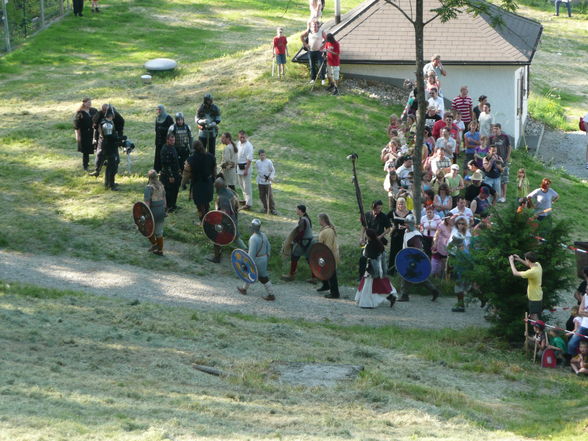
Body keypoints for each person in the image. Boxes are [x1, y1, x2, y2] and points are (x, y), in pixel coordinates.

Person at [397, 214, 440, 302]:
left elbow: (418, 250)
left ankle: (404, 295)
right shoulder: (407, 231)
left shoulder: (415, 236)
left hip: (414, 259)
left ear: (412, 224)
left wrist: (412, 259)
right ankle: (434, 290)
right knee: (418, 276)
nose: (406, 225)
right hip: (407, 258)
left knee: (407, 275)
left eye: (408, 223)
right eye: (406, 223)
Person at [208, 177, 247, 263]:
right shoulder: (230, 192)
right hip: (234, 220)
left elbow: (224, 214)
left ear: (219, 187)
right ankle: (247, 252)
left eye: (216, 187)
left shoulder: (223, 198)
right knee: (236, 238)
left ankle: (217, 257)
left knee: (216, 237)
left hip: (227, 223)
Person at [355, 229, 397, 308]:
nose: (365, 236)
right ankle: (390, 297)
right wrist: (362, 244)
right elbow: (364, 248)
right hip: (377, 269)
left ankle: (367, 303)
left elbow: (368, 256)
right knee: (379, 286)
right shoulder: (375, 242)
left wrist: (365, 260)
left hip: (372, 269)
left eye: (366, 235)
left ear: (369, 236)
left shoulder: (372, 245)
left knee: (368, 287)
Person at [237, 219, 275, 301]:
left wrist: (246, 263)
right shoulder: (263, 235)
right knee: (250, 273)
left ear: (252, 227)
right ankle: (244, 289)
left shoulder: (253, 238)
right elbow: (269, 247)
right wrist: (267, 256)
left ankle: (271, 294)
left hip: (257, 260)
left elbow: (251, 254)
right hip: (264, 258)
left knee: (263, 277)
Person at [181, 140, 216, 222]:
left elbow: (186, 173)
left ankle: (203, 220)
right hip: (208, 183)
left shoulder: (190, 160)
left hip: (197, 184)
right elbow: (214, 170)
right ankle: (207, 217)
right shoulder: (211, 156)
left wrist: (183, 183)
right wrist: (214, 178)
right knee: (206, 202)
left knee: (199, 204)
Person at [359, 200, 391, 280]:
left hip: (378, 241)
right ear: (373, 208)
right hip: (367, 240)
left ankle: (377, 275)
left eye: (380, 208)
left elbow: (388, 229)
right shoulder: (367, 215)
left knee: (376, 258)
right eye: (377, 208)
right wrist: (362, 237)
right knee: (363, 257)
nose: (379, 210)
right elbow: (363, 227)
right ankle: (361, 275)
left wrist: (380, 237)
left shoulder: (383, 216)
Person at [89, 104, 124, 177]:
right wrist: (94, 138)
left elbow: (120, 128)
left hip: (113, 138)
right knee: (100, 155)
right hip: (103, 138)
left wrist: (119, 139)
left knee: (114, 158)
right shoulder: (99, 115)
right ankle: (97, 170)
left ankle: (113, 172)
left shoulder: (117, 117)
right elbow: (95, 127)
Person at [281, 205, 315, 281]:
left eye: (296, 209)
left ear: (300, 210)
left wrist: (294, 240)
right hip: (309, 241)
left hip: (304, 242)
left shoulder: (303, 220)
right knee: (309, 259)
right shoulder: (306, 218)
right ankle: (314, 277)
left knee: (294, 256)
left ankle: (291, 275)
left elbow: (301, 232)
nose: (295, 210)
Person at [508, 252, 543, 321]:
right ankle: (537, 329)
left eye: (525, 259)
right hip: (538, 295)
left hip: (534, 298)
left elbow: (515, 273)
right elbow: (529, 265)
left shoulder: (532, 272)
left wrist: (511, 261)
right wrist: (519, 259)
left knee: (534, 316)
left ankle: (537, 331)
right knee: (535, 314)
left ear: (528, 260)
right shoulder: (538, 265)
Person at [447, 218, 472, 312]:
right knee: (469, 288)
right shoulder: (463, 248)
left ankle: (461, 306)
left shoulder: (462, 251)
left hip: (462, 273)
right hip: (463, 272)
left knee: (459, 289)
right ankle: (482, 297)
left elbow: (467, 261)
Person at [316, 213, 340, 299]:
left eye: (319, 219)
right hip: (325, 253)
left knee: (331, 274)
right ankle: (326, 285)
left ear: (322, 220)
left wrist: (325, 256)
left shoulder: (329, 231)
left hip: (330, 255)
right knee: (323, 270)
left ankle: (335, 293)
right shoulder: (325, 230)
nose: (318, 221)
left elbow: (328, 246)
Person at [143, 170, 166, 256]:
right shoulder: (161, 186)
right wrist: (164, 210)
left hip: (153, 211)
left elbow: (147, 203)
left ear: (149, 178)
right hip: (161, 210)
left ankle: (155, 244)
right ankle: (160, 250)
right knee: (159, 232)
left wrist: (145, 214)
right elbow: (164, 200)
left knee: (146, 229)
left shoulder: (149, 188)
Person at [96, 108, 120, 190]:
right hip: (108, 147)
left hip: (109, 146)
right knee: (112, 166)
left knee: (111, 166)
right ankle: (111, 185)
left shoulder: (108, 122)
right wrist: (118, 139)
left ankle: (108, 183)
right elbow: (109, 137)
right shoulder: (106, 125)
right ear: (111, 115)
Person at [73, 97, 97, 171]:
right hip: (85, 133)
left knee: (99, 147)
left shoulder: (94, 110)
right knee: (86, 151)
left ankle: (102, 162)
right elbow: (77, 126)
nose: (90, 104)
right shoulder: (80, 113)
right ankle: (85, 165)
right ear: (84, 103)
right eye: (88, 102)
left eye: (90, 102)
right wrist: (78, 135)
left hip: (94, 132)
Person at [388, 197, 410, 274]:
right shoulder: (393, 212)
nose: (401, 205)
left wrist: (406, 226)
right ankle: (391, 270)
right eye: (399, 204)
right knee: (393, 252)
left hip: (405, 235)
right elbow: (386, 220)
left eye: (402, 203)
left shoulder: (409, 213)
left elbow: (412, 224)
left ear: (405, 204)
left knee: (402, 251)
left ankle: (401, 270)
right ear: (397, 204)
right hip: (395, 235)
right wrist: (391, 226)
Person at [489, 124, 511, 202]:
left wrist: (508, 157)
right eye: (494, 129)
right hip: (494, 160)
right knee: (496, 177)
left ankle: (504, 196)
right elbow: (489, 149)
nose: (495, 130)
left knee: (504, 179)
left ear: (500, 129)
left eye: (497, 129)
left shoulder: (505, 137)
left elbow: (509, 147)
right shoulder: (491, 138)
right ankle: (496, 195)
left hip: (504, 160)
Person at [160, 133, 181, 213]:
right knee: (169, 190)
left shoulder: (173, 148)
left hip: (175, 172)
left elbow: (176, 161)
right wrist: (170, 175)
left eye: (174, 140)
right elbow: (166, 164)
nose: (173, 142)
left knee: (175, 189)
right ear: (167, 140)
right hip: (168, 174)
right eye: (171, 140)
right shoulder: (165, 149)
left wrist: (179, 170)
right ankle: (168, 206)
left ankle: (173, 204)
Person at [255, 149, 277, 215]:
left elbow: (273, 170)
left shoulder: (269, 162)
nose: (263, 156)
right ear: (259, 156)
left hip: (267, 181)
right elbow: (258, 170)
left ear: (265, 155)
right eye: (261, 155)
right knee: (262, 196)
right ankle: (265, 208)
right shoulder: (257, 162)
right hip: (260, 181)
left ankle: (272, 209)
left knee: (269, 196)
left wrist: (270, 177)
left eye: (264, 155)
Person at [236, 130, 254, 210]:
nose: (242, 139)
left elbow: (249, 159)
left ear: (246, 136)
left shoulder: (249, 146)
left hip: (246, 167)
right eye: (240, 137)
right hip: (239, 167)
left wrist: (246, 170)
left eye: (243, 137)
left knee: (247, 187)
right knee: (242, 185)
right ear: (238, 137)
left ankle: (248, 204)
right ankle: (245, 200)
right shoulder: (238, 144)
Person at [154, 105, 174, 173]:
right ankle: (157, 170)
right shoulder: (157, 118)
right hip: (158, 141)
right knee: (158, 156)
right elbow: (156, 129)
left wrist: (162, 129)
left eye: (159, 110)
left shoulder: (168, 118)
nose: (158, 111)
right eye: (157, 110)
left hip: (165, 141)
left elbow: (171, 129)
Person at [568, 288, 588, 356]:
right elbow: (580, 311)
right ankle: (574, 360)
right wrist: (583, 312)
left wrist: (584, 312)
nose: (586, 291)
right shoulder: (585, 296)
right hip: (584, 326)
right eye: (586, 289)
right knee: (571, 344)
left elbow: (582, 312)